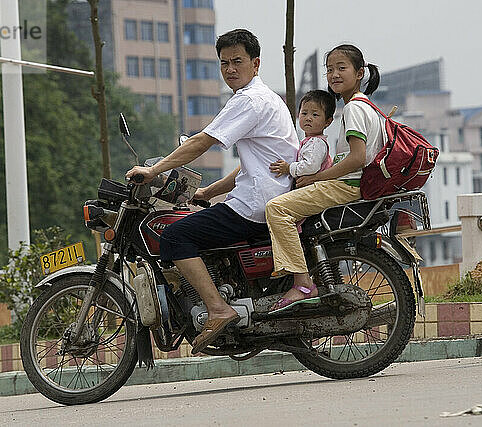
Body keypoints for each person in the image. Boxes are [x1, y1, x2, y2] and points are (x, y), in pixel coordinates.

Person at [126, 29, 299, 353]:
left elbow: (201, 142)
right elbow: (255, 165)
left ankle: (218, 308)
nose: (230, 69)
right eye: (224, 63)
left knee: (175, 237)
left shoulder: (249, 100)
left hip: (256, 205)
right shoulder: (264, 98)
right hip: (264, 195)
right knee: (195, 226)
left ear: (255, 63)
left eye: (237, 61)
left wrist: (153, 170)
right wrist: (207, 192)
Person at [266, 44, 385, 313]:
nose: (334, 75)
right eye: (330, 69)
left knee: (277, 209)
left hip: (347, 185)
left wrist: (317, 178)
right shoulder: (365, 106)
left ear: (360, 73)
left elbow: (357, 158)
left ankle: (302, 283)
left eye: (342, 68)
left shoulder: (354, 109)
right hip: (350, 184)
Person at [269, 89, 335, 234]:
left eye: (315, 114)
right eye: (304, 113)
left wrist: (288, 168)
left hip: (313, 191)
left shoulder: (316, 143)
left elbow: (310, 166)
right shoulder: (308, 141)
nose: (308, 118)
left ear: (328, 122)